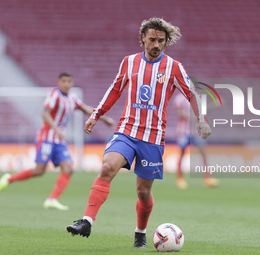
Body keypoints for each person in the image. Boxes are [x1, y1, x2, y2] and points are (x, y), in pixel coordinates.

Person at [66, 17, 211, 248]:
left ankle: (140, 232)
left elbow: (192, 93)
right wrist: (95, 114)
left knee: (143, 192)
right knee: (107, 167)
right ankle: (86, 221)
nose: (156, 44)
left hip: (153, 138)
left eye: (161, 41)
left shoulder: (174, 67)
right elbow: (114, 89)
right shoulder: (129, 62)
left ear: (166, 42)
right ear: (143, 37)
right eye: (152, 39)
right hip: (127, 130)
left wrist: (201, 120)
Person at [0, 72, 115, 210]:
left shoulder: (72, 97)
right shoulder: (54, 94)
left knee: (68, 168)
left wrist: (104, 118)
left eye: (69, 81)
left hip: (59, 140)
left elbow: (86, 109)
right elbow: (45, 113)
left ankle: (52, 199)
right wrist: (56, 128)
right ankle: (8, 179)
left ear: (72, 83)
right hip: (47, 138)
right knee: (39, 170)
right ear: (59, 83)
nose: (66, 84)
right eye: (63, 81)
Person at [174, 92, 220, 189]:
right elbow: (181, 113)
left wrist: (214, 104)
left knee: (203, 153)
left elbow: (202, 111)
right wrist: (195, 118)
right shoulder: (179, 98)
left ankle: (208, 178)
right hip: (184, 132)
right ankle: (179, 178)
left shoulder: (197, 98)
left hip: (196, 131)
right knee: (182, 154)